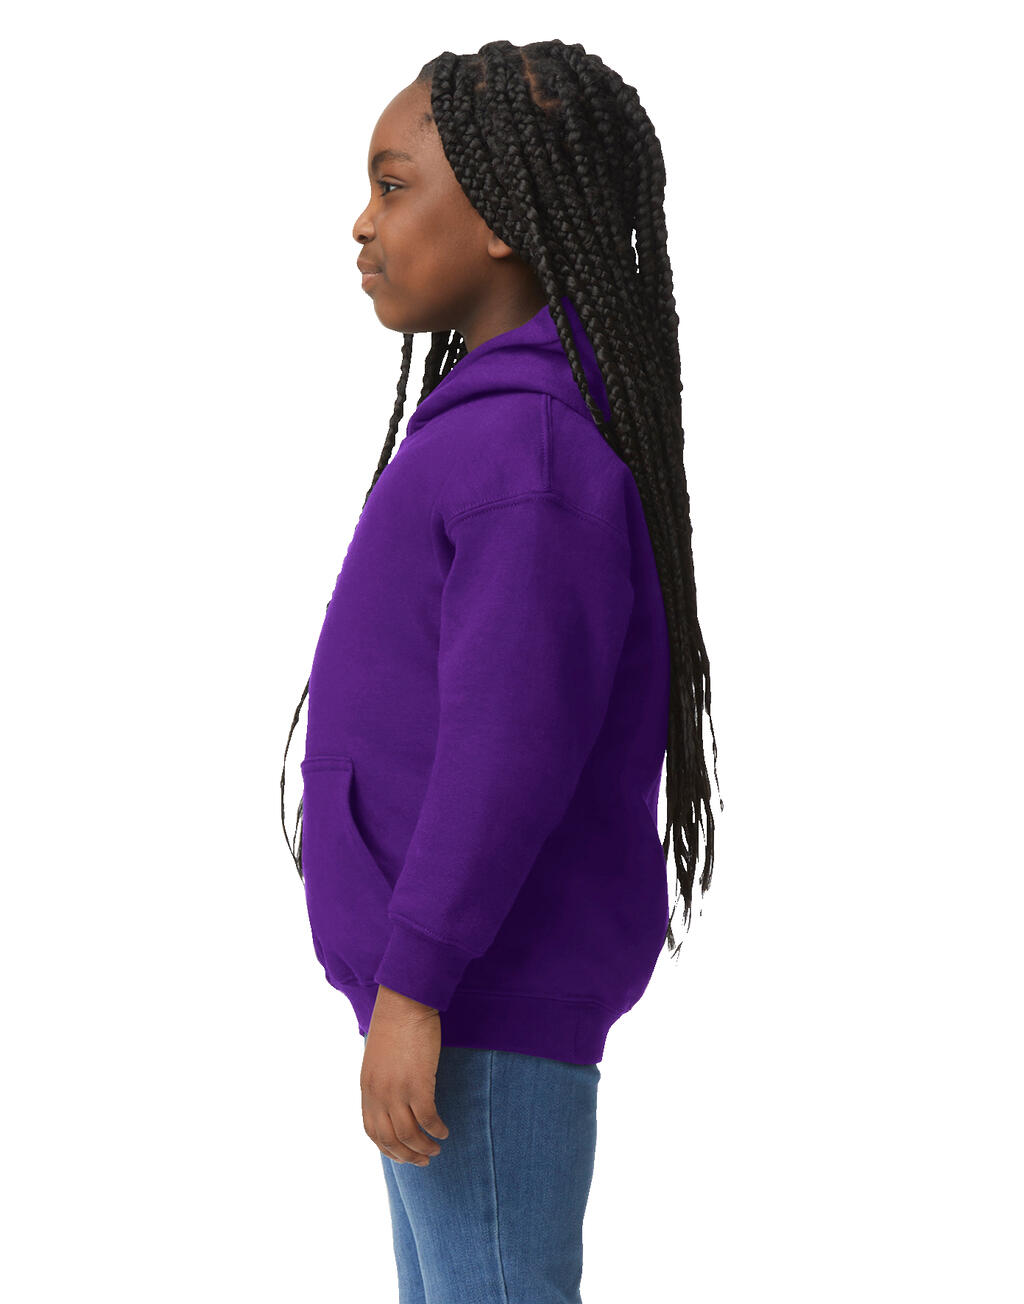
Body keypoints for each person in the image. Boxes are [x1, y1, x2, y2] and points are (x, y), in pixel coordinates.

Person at [280, 39, 722, 1304]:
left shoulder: (528, 456)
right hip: (444, 997)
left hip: (475, 998)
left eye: (394, 185)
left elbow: (506, 747)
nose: (363, 223)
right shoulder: (493, 433)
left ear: (504, 220)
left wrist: (416, 982)